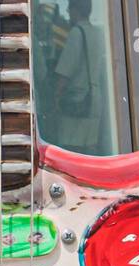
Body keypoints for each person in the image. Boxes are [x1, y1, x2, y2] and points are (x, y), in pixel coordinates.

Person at [52, 0, 106, 154]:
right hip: (95, 99)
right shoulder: (98, 33)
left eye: (69, 10)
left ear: (76, 10)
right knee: (90, 148)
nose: (68, 14)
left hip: (78, 101)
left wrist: (55, 99)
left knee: (72, 150)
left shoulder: (77, 33)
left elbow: (65, 71)